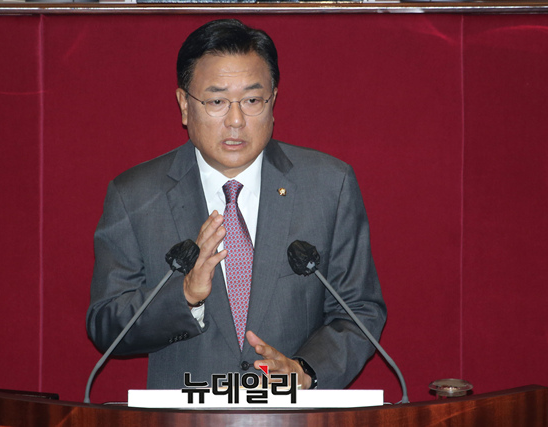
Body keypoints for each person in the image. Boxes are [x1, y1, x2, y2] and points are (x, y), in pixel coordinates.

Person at [87, 19, 386, 390]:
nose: (235, 120)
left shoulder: (328, 186)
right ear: (184, 105)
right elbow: (106, 324)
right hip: (185, 412)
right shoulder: (135, 196)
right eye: (216, 101)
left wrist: (305, 371)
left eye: (252, 100)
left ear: (273, 101)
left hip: (290, 414)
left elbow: (359, 310)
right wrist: (185, 296)